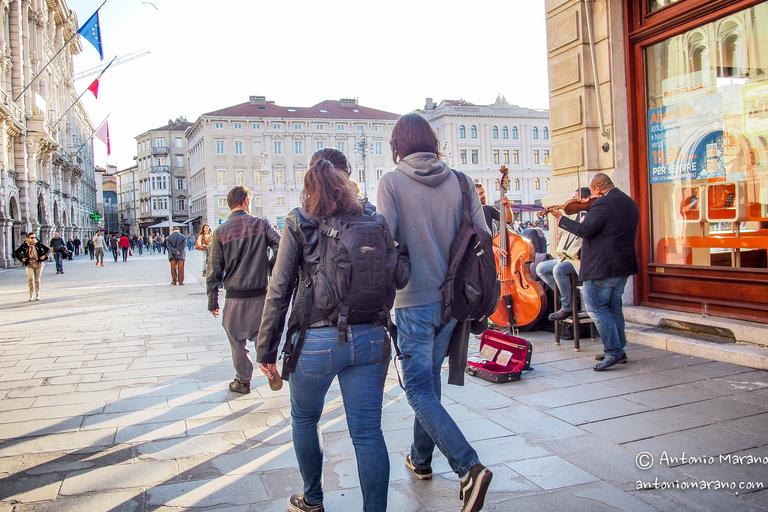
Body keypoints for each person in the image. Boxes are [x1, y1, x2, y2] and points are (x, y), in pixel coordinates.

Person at [257, 153, 394, 512]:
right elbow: (396, 274)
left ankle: (312, 499)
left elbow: (279, 288)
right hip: (371, 337)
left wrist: (266, 349)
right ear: (348, 178)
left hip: (316, 339)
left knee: (305, 419)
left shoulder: (299, 219)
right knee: (368, 433)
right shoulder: (373, 218)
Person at [377, 113, 493, 512]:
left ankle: (468, 466)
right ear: (431, 140)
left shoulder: (392, 182)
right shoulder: (460, 181)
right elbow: (483, 234)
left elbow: (386, 242)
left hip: (413, 299)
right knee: (429, 381)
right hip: (455, 299)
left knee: (417, 389)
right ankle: (421, 458)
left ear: (398, 144)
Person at [551, 173, 639, 371]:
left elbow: (585, 231)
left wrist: (560, 218)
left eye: (591, 192)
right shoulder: (629, 202)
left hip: (602, 267)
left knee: (596, 308)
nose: (590, 196)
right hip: (622, 266)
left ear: (598, 188)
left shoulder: (602, 204)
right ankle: (619, 348)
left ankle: (613, 351)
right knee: (613, 307)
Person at [206, 186, 279, 395]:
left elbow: (214, 268)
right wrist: (269, 267)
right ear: (246, 200)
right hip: (261, 295)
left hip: (235, 298)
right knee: (263, 336)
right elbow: (282, 245)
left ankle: (243, 380)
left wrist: (213, 300)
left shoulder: (220, 232)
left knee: (236, 341)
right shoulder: (261, 224)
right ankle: (269, 365)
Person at [538, 187, 592, 321]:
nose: (573, 201)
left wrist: (561, 218)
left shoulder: (589, 215)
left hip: (578, 260)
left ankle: (567, 306)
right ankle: (569, 296)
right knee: (541, 268)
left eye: (576, 198)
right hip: (565, 257)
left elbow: (582, 232)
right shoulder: (574, 215)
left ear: (586, 199)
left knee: (558, 270)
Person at [14, 233, 49, 301]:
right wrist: (21, 258)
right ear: (28, 238)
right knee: (30, 278)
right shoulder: (24, 245)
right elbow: (16, 252)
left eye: (34, 237)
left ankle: (37, 293)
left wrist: (45, 256)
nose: (33, 239)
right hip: (29, 264)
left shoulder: (39, 244)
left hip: (38, 264)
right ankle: (31, 294)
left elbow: (47, 250)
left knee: (37, 279)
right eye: (32, 238)